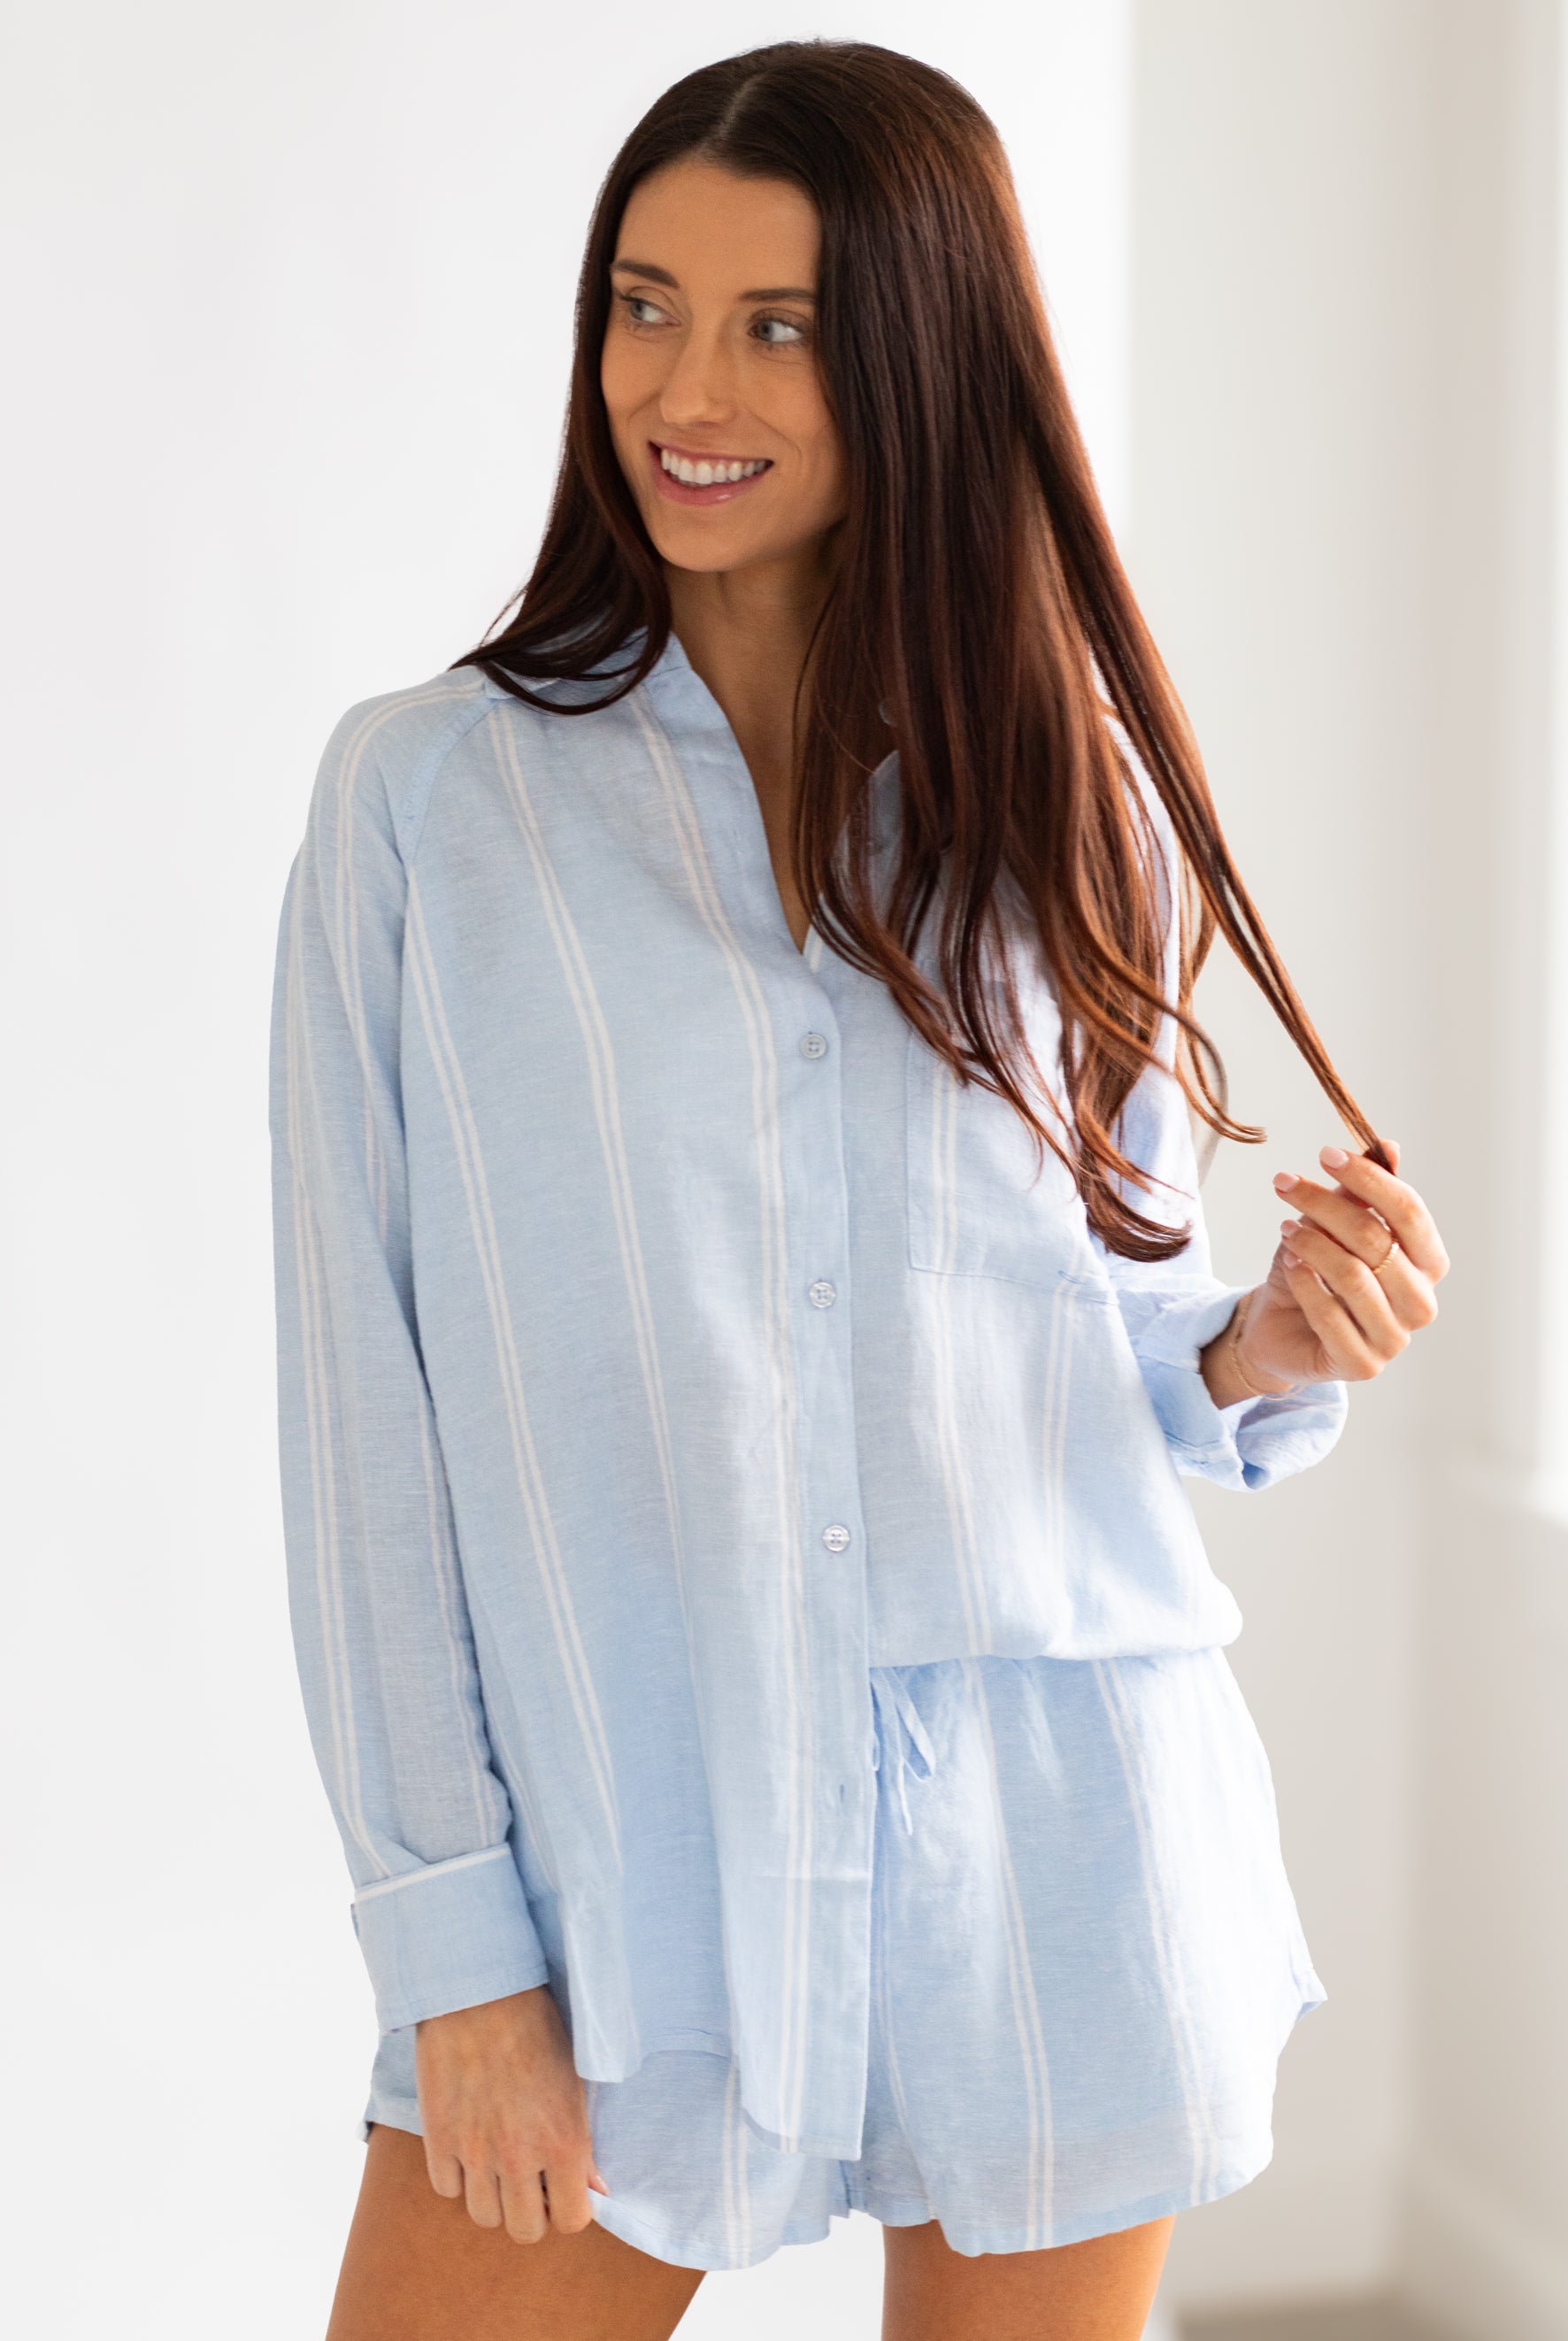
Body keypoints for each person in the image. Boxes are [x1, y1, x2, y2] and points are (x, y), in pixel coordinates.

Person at [267, 39, 1449, 2341]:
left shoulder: (1061, 799)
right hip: (630, 1884)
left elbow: (1083, 1348)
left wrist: (1264, 1344)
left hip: (1057, 1859)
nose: (682, 386)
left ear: (916, 354)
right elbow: (362, 1434)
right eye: (642, 303)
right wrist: (455, 1963)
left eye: (778, 325)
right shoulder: (424, 811)